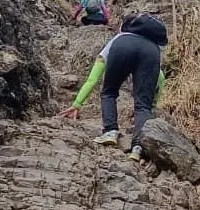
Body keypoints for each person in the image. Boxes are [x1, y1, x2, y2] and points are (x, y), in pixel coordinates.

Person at [61, 13, 168, 161]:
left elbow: (93, 79)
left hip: (122, 48)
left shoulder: (119, 38)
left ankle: (110, 132)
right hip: (150, 54)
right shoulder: (152, 45)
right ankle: (138, 147)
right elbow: (161, 78)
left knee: (109, 92)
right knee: (143, 106)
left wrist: (77, 103)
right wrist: (154, 102)